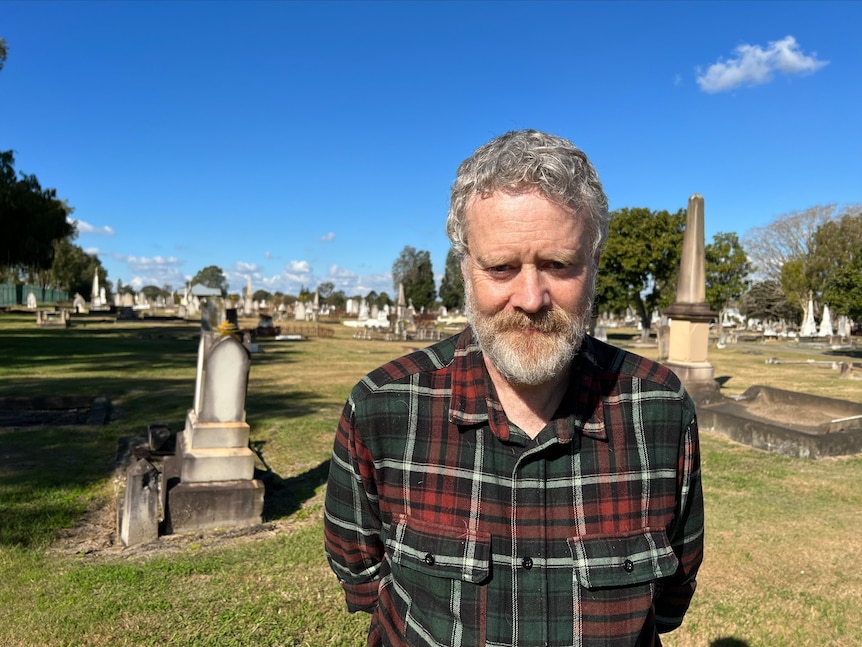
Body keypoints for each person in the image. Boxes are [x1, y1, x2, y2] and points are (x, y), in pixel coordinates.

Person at [324, 129, 704, 647]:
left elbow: (670, 597)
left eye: (558, 265)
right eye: (501, 267)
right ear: (465, 269)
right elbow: (362, 576)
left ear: (593, 266)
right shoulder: (382, 408)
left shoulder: (660, 409)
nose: (530, 297)